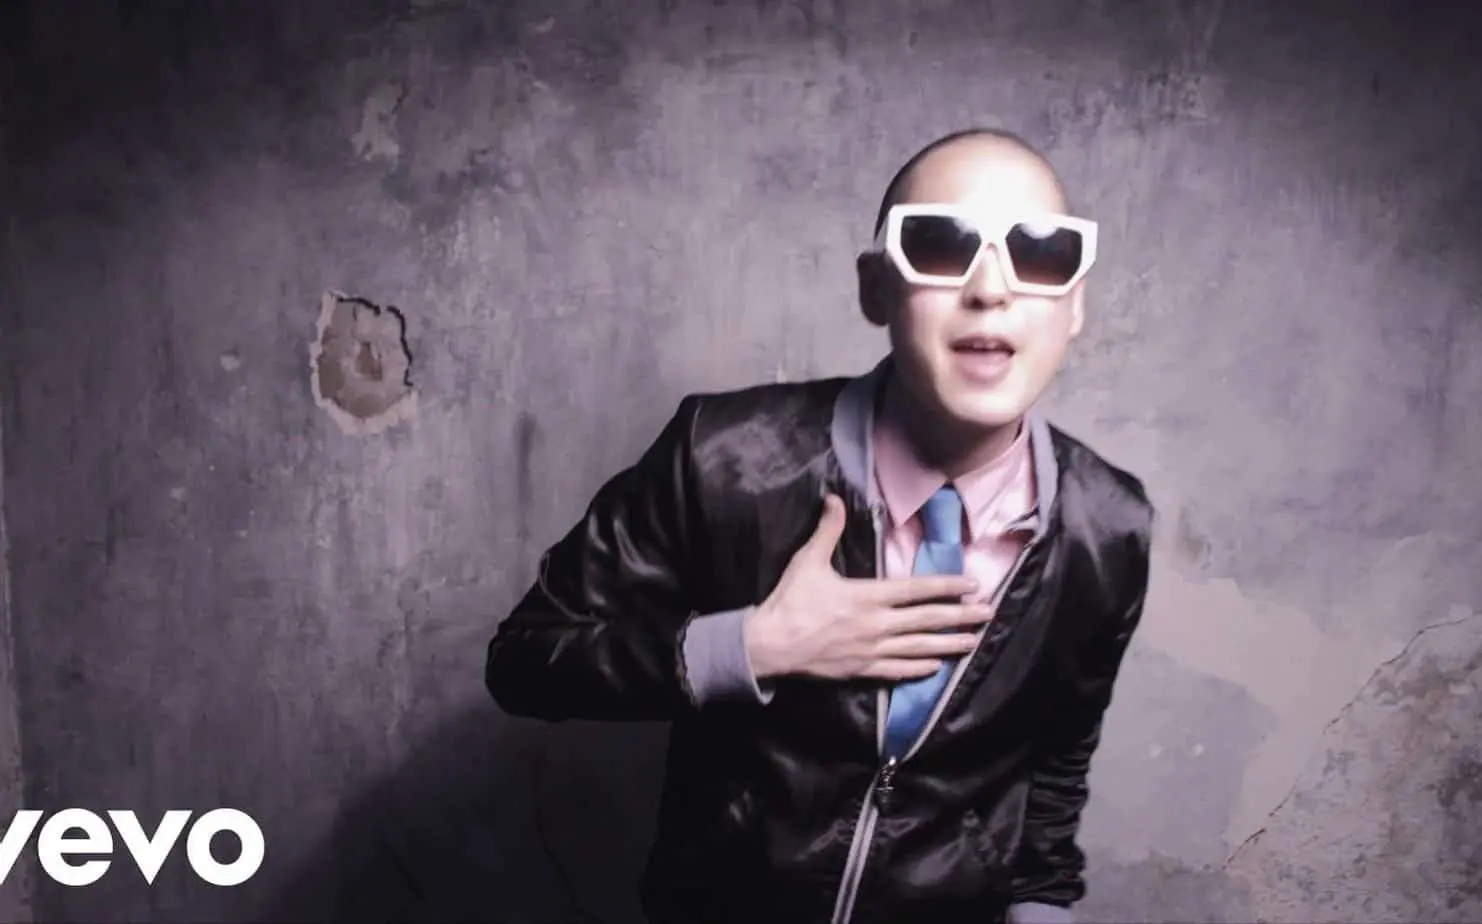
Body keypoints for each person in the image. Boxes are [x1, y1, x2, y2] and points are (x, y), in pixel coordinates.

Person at [485, 126, 1154, 924]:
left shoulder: (1109, 528)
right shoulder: (722, 458)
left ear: (1074, 305)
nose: (990, 289)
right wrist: (753, 648)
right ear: (876, 289)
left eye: (1040, 254)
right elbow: (524, 661)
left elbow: (1051, 784)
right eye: (941, 245)